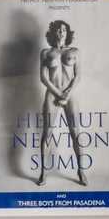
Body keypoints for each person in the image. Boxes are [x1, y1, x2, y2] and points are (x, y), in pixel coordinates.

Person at [35, 20, 87, 186]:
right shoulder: (46, 52)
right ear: (53, 33)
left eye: (64, 29)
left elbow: (77, 76)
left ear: (68, 33)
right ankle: (43, 172)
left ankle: (81, 170)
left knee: (76, 133)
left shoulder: (75, 51)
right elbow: (43, 77)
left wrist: (67, 94)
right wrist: (58, 94)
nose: (61, 32)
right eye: (58, 29)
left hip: (69, 95)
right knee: (47, 133)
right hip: (52, 95)